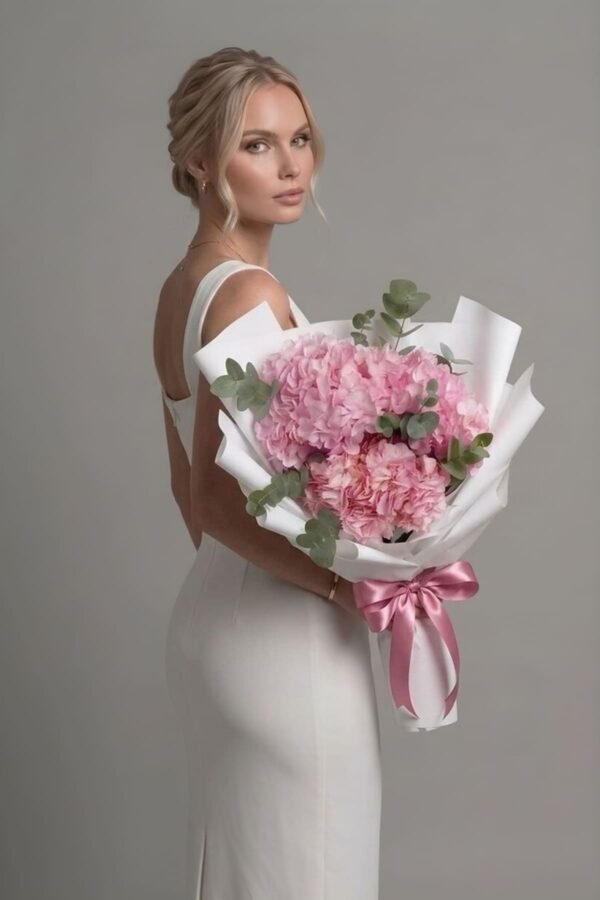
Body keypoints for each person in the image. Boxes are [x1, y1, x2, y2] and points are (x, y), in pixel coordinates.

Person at [153, 46, 382, 900]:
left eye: (300, 138)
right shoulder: (246, 293)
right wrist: (341, 589)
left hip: (217, 616)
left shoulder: (185, 287)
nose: (291, 166)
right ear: (198, 161)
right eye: (256, 145)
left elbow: (187, 492)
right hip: (284, 637)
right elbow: (215, 495)